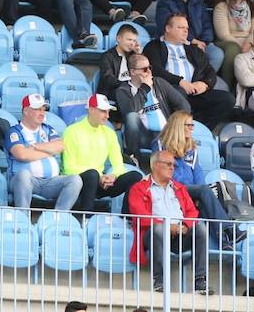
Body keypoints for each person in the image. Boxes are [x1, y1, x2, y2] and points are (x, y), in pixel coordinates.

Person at [126, 152, 213, 295]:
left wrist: (185, 225)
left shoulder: (179, 188)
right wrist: (167, 226)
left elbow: (192, 212)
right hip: (154, 234)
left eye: (174, 165)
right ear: (155, 165)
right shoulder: (139, 188)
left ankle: (200, 281)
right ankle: (159, 281)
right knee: (159, 229)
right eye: (168, 164)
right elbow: (140, 215)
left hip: (179, 234)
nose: (172, 168)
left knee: (200, 228)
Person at [143, 15, 234, 128]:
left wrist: (205, 84)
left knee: (227, 99)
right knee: (179, 93)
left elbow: (209, 71)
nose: (185, 31)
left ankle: (201, 129)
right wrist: (180, 82)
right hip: (170, 92)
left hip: (194, 92)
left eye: (186, 28)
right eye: (181, 27)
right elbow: (156, 70)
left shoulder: (193, 49)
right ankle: (181, 128)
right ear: (168, 28)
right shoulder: (153, 46)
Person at [63, 95, 141, 212]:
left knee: (135, 176)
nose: (107, 116)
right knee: (92, 174)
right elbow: (69, 168)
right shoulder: (71, 131)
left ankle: (126, 219)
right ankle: (87, 218)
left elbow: (118, 165)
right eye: (103, 111)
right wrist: (99, 177)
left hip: (100, 182)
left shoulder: (109, 133)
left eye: (108, 111)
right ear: (91, 110)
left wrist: (112, 176)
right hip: (77, 182)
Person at [6, 95, 83, 210]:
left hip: (50, 182)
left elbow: (60, 146)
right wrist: (49, 150)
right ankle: (23, 218)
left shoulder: (48, 129)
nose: (42, 113)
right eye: (37, 109)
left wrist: (35, 147)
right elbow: (22, 155)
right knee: (24, 175)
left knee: (75, 180)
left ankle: (58, 218)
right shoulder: (15, 131)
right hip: (24, 181)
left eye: (43, 109)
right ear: (26, 111)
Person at [114, 54, 189, 155]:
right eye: (144, 69)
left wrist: (174, 126)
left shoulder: (159, 83)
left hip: (166, 134)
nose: (149, 71)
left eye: (150, 67)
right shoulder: (123, 90)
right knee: (132, 116)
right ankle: (134, 158)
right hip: (143, 137)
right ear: (132, 72)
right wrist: (145, 88)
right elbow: (129, 110)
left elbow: (183, 104)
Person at [155, 0, 223, 71]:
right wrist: (192, 41)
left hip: (201, 43)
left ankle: (202, 82)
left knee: (217, 54)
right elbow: (166, 27)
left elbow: (207, 24)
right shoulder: (166, 3)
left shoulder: (198, 2)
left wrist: (204, 41)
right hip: (178, 42)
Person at [211, 0, 254, 76]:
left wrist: (249, 43)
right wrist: (241, 46)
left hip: (248, 41)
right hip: (227, 42)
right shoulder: (222, 7)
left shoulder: (252, 7)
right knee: (233, 48)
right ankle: (228, 83)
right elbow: (223, 35)